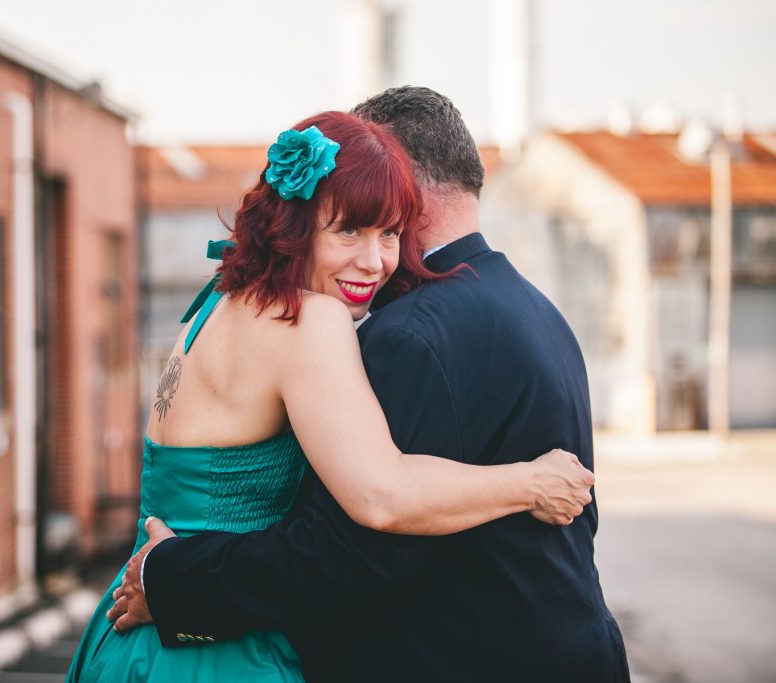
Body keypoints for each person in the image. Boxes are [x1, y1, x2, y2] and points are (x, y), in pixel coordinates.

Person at [109, 88, 631, 682]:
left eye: (388, 231)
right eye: (352, 229)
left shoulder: (216, 305)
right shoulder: (535, 311)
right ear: (302, 217)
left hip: (145, 638)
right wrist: (531, 483)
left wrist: (173, 580)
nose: (377, 260)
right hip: (212, 648)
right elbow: (377, 503)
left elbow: (349, 548)